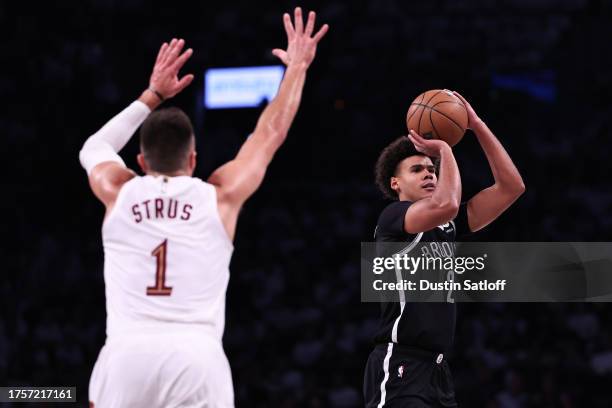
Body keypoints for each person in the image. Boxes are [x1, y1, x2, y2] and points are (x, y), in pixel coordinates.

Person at [78, 8, 328, 407]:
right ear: (194, 158)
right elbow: (271, 133)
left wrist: (152, 96)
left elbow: (94, 147)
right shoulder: (220, 195)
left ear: (140, 162)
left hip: (126, 356)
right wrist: (297, 67)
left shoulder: (118, 190)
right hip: (197, 357)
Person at [364, 91, 525, 407]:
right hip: (400, 362)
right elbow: (448, 203)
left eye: (432, 169)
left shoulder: (447, 227)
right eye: (417, 169)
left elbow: (511, 187)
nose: (429, 173)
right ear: (395, 183)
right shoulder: (393, 219)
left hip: (437, 369)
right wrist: (444, 150)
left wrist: (477, 126)